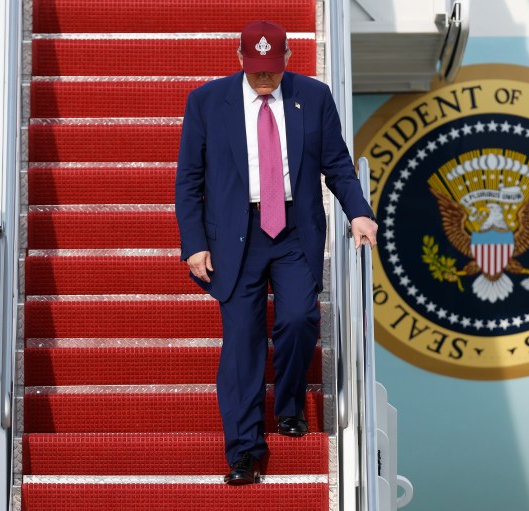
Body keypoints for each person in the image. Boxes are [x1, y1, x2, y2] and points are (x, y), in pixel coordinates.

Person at [175, 20, 378, 485]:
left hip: (292, 230)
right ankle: (244, 450)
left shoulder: (315, 96)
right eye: (255, 69)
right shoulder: (207, 101)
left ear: (287, 58)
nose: (264, 78)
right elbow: (188, 181)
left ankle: (288, 404)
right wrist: (194, 244)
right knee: (243, 340)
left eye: (272, 68)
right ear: (238, 58)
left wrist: (359, 213)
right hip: (234, 233)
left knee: (298, 319)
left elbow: (338, 166)